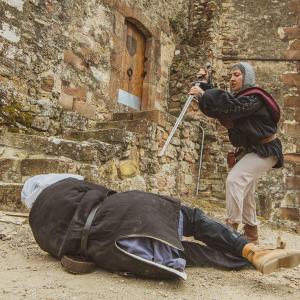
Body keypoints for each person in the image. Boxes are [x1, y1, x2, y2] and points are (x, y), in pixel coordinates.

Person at [21, 174, 300, 280]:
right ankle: (252, 251)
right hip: (128, 216)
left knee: (193, 254)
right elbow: (102, 191)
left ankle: (251, 262)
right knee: (194, 219)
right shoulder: (64, 186)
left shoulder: (38, 229)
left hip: (116, 251)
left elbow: (63, 253)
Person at [189, 62, 283, 244]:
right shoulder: (240, 99)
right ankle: (251, 236)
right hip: (251, 151)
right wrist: (205, 85)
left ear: (247, 77)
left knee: (234, 180)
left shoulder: (254, 98)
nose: (232, 79)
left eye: (237, 75)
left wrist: (204, 93)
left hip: (266, 149)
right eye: (231, 75)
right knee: (246, 192)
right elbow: (220, 107)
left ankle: (230, 231)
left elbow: (231, 106)